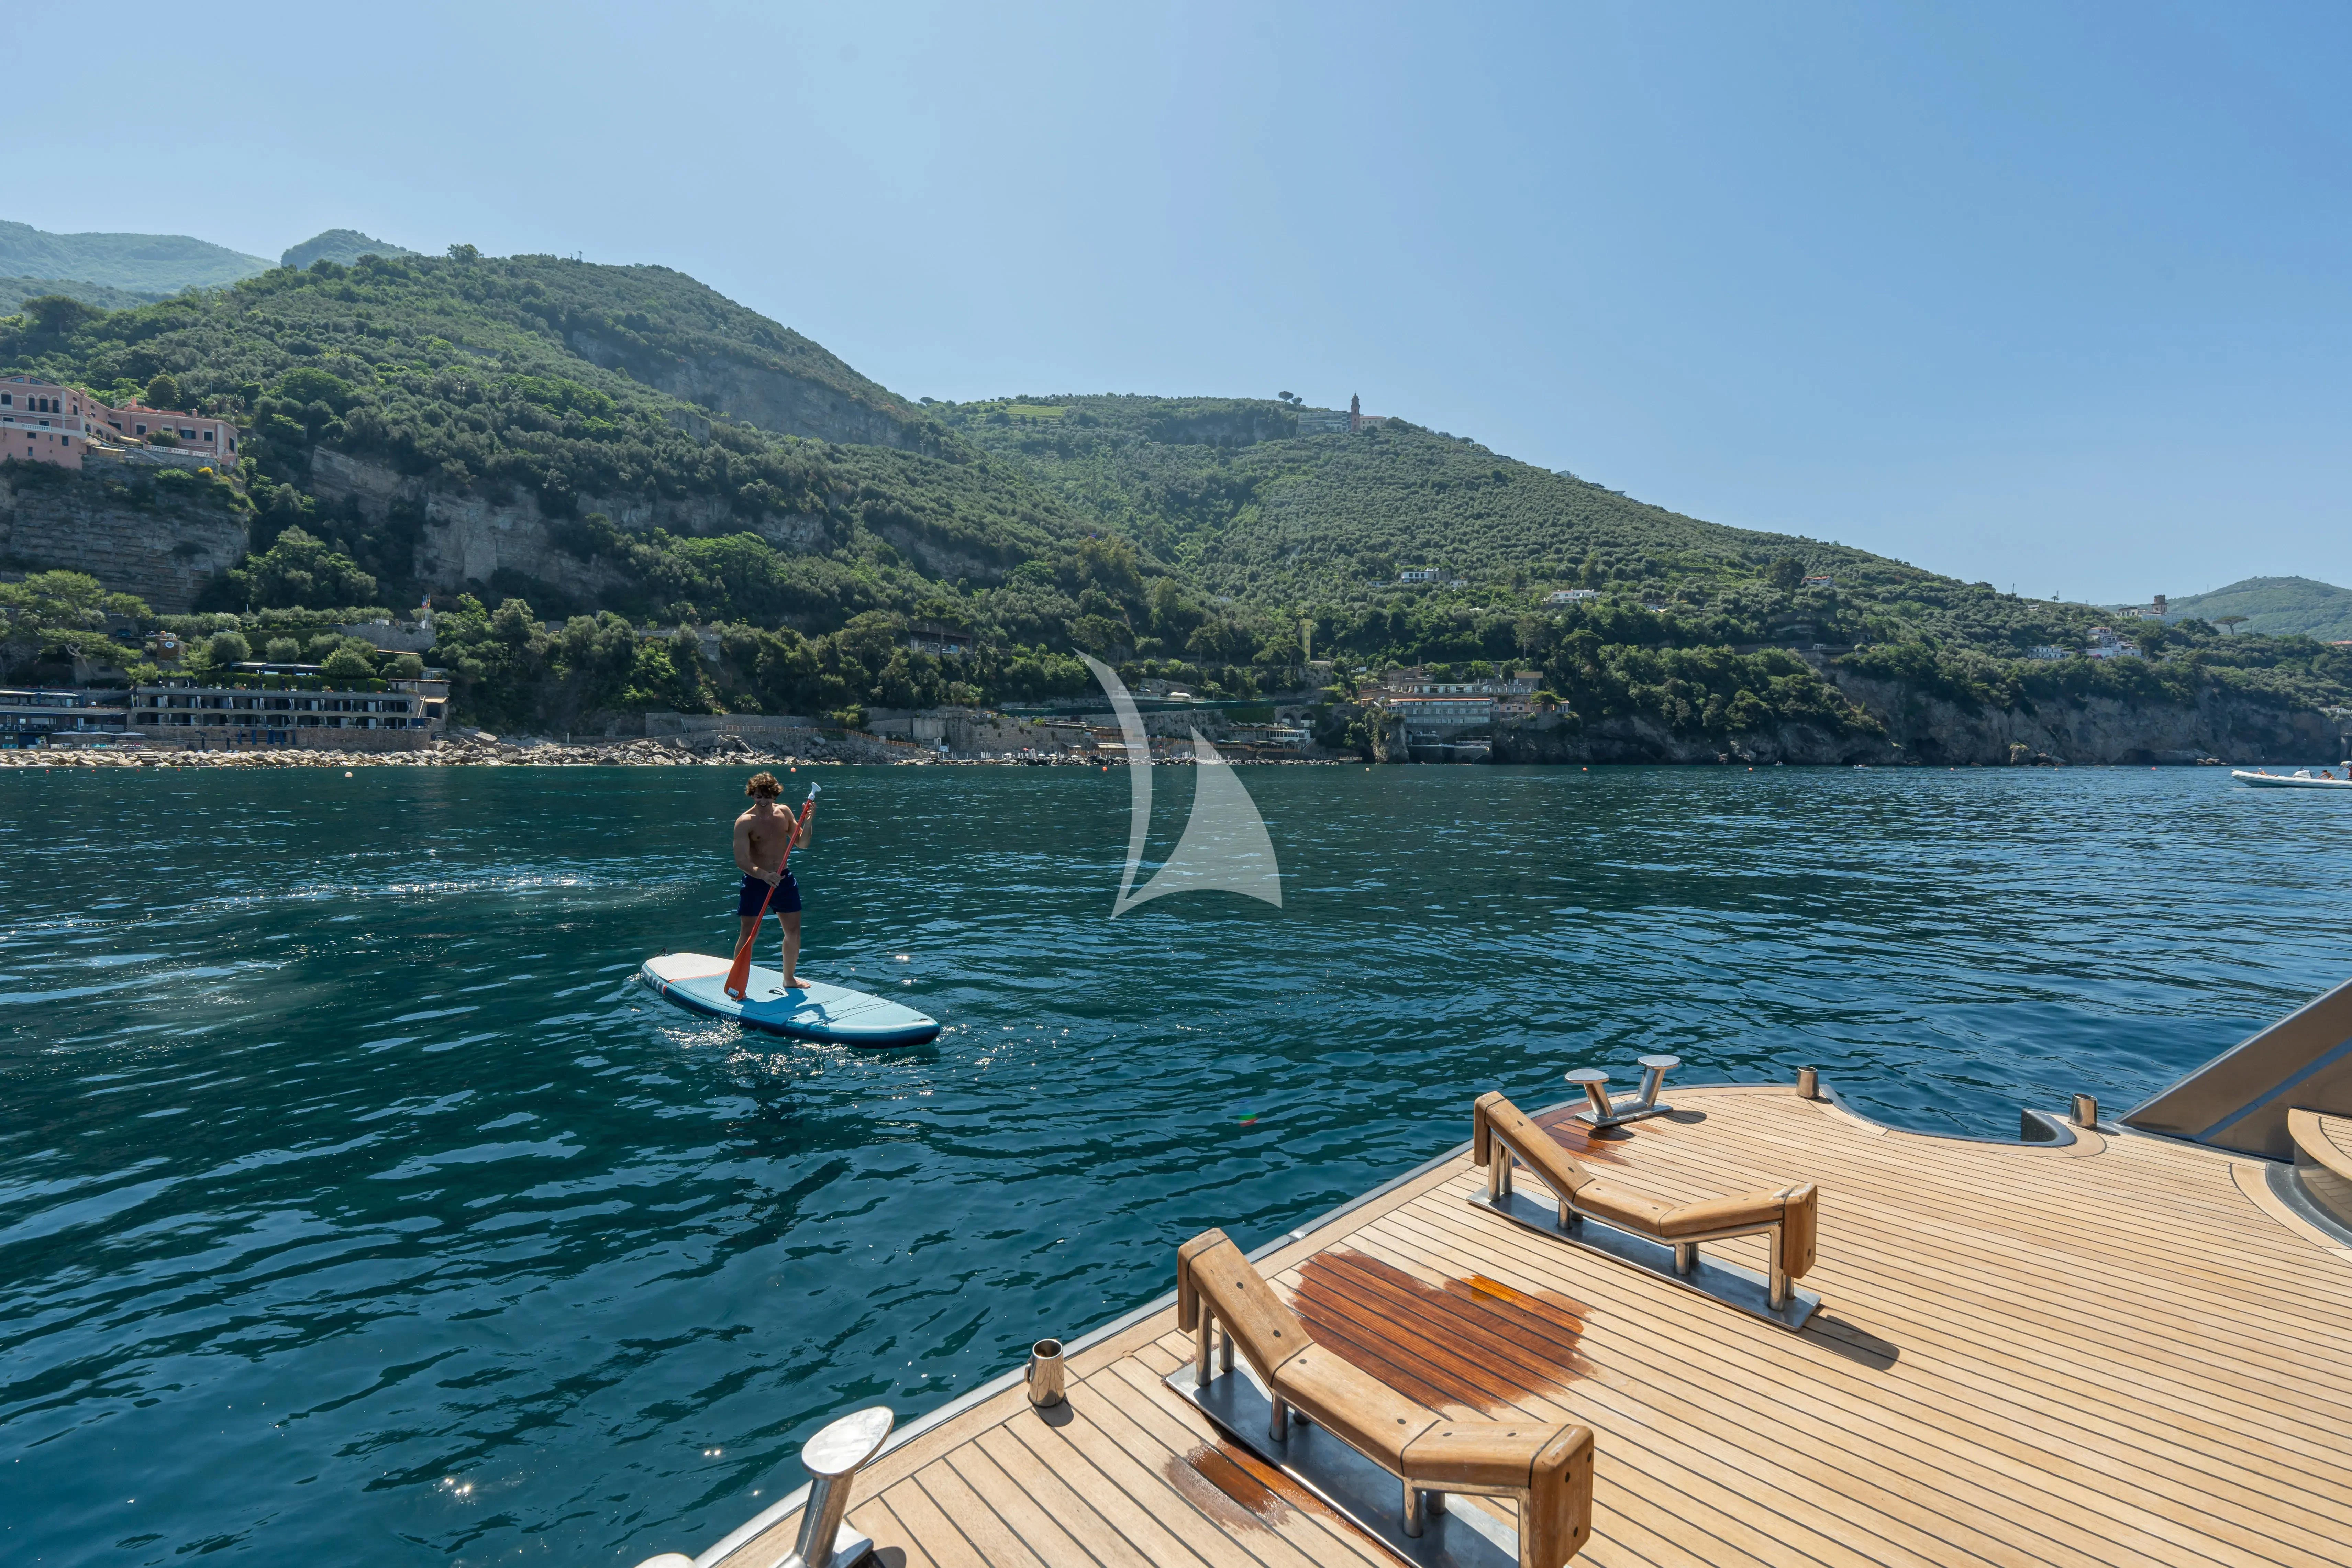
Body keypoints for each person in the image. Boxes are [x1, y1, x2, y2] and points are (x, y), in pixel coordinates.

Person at [733, 771, 813, 989]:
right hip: (756, 883)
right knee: (749, 934)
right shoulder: (744, 822)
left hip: (783, 881)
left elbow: (802, 844)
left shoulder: (784, 813)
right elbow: (741, 860)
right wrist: (764, 875)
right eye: (758, 797)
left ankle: (789, 979)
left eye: (767, 797)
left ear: (775, 796)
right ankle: (738, 980)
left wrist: (808, 821)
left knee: (793, 932)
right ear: (752, 795)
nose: (763, 802)